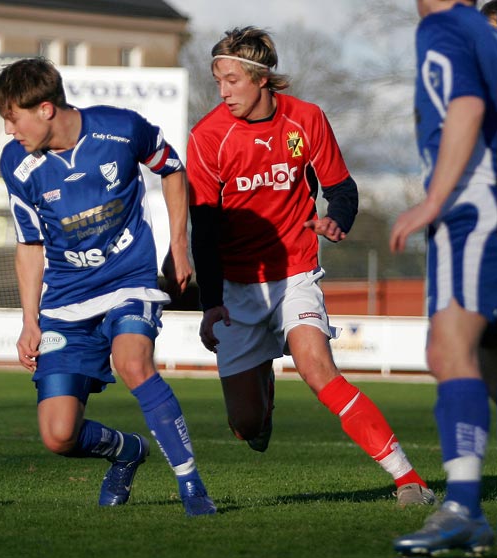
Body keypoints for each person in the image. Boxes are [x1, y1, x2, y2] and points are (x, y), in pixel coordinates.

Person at [186, 26, 434, 508]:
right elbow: (206, 231)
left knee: (319, 370)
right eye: (218, 80)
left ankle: (409, 480)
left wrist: (337, 220)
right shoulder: (208, 138)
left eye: (232, 80)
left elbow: (341, 188)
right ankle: (262, 392)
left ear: (261, 78)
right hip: (238, 289)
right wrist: (211, 304)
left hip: (295, 273)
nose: (223, 91)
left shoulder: (306, 119)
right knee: (247, 426)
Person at [0, 57, 216, 516]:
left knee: (132, 361)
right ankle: (127, 451)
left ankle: (191, 484)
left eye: (13, 118)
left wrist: (178, 244)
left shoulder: (120, 129)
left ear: (46, 108)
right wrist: (29, 321)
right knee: (58, 435)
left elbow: (172, 168)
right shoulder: (17, 163)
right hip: (67, 300)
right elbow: (29, 245)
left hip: (128, 280)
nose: (10, 131)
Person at [390, 0, 497, 554]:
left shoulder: (445, 25)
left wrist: (433, 200)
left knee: (449, 347)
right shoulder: (481, 28)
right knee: (479, 360)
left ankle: (463, 508)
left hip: (473, 210)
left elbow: (467, 105)